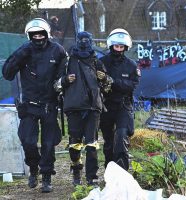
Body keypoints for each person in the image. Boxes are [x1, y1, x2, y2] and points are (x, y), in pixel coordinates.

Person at [2, 18, 68, 193]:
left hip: (49, 104)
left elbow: (65, 74)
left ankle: (46, 177)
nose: (38, 37)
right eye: (34, 34)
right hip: (29, 105)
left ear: (47, 34)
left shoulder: (58, 51)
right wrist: (20, 55)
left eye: (41, 34)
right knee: (27, 141)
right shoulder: (24, 50)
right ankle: (33, 168)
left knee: (48, 143)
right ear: (29, 36)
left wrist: (63, 89)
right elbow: (7, 73)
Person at [54, 31, 112, 186]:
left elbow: (108, 87)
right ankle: (76, 170)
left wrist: (105, 78)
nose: (84, 43)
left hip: (93, 108)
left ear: (91, 41)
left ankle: (91, 177)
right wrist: (65, 80)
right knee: (75, 144)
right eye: (82, 40)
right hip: (73, 108)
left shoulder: (97, 62)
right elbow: (56, 85)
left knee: (92, 143)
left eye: (87, 40)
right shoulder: (67, 62)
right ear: (77, 41)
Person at [99, 28, 140, 171]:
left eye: (121, 46)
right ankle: (110, 171)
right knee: (109, 142)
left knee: (122, 136)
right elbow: (96, 83)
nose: (118, 49)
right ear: (111, 46)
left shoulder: (131, 65)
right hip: (106, 105)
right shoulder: (101, 63)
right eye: (116, 46)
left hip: (123, 105)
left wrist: (112, 81)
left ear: (126, 47)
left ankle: (122, 171)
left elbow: (132, 85)